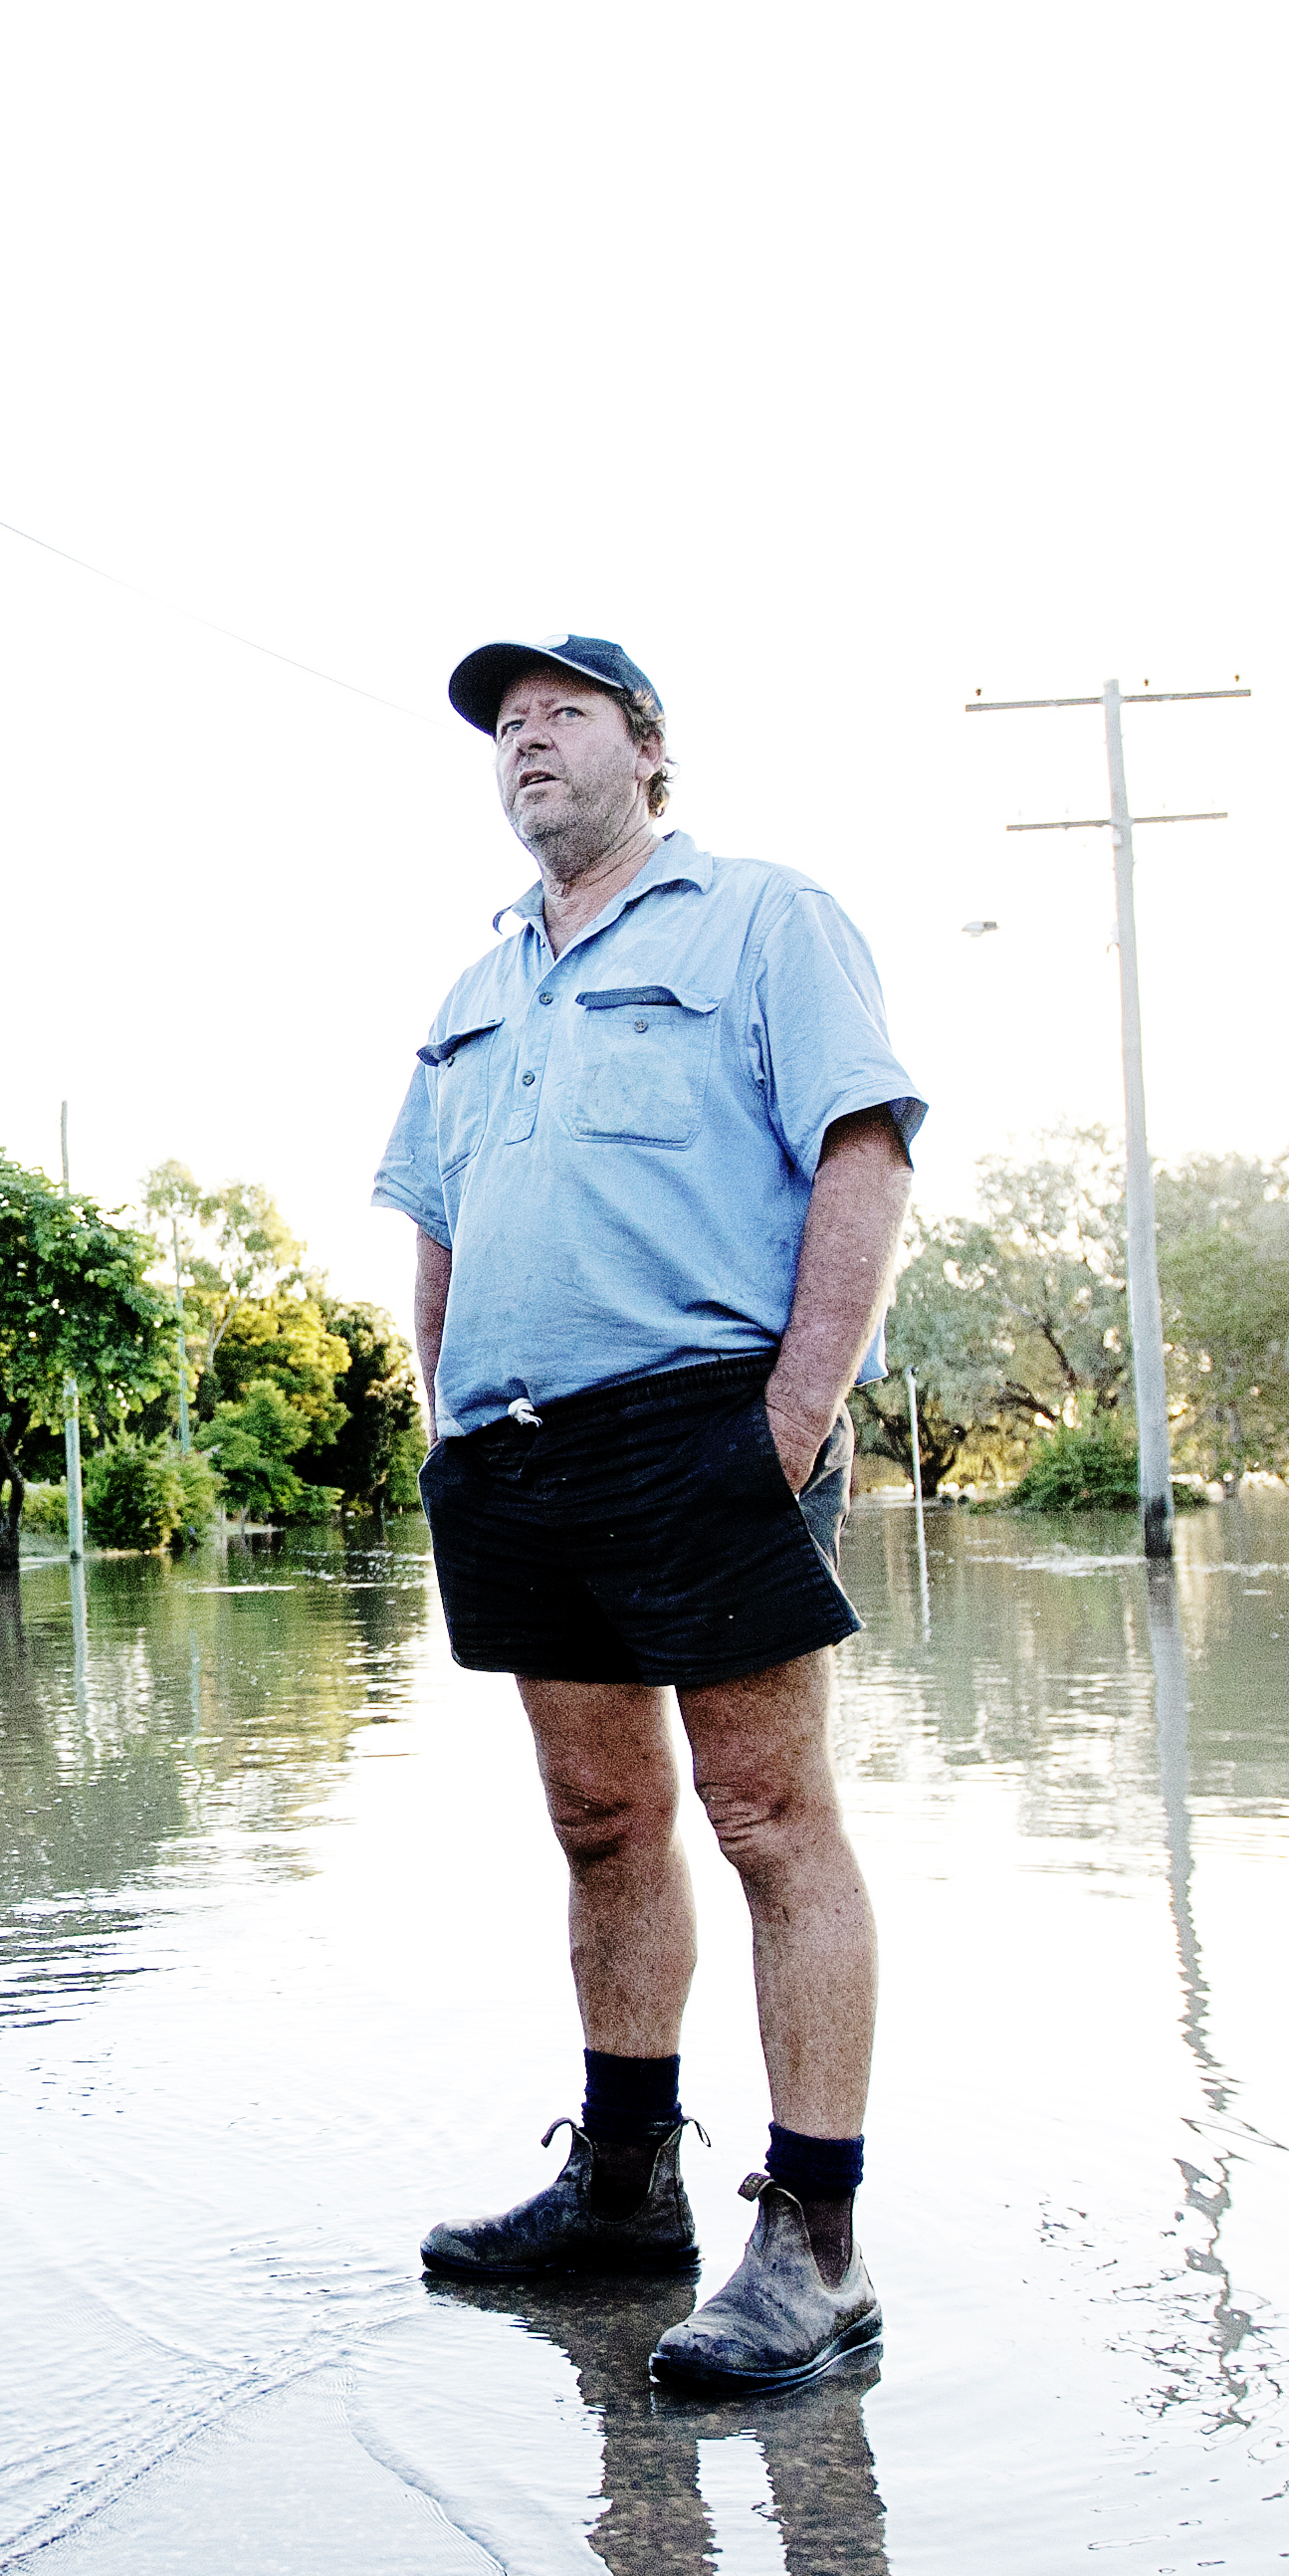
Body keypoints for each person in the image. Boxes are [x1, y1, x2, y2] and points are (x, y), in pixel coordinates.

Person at [374, 633, 926, 2395]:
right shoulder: (477, 987)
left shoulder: (762, 921)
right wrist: (449, 1410)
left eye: (563, 716)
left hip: (710, 1422)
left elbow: (865, 1147)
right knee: (606, 1821)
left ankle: (816, 2245)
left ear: (649, 751)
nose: (527, 744)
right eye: (507, 728)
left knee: (766, 1814)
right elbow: (435, 1212)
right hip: (523, 1453)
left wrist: (796, 1414)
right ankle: (623, 2194)